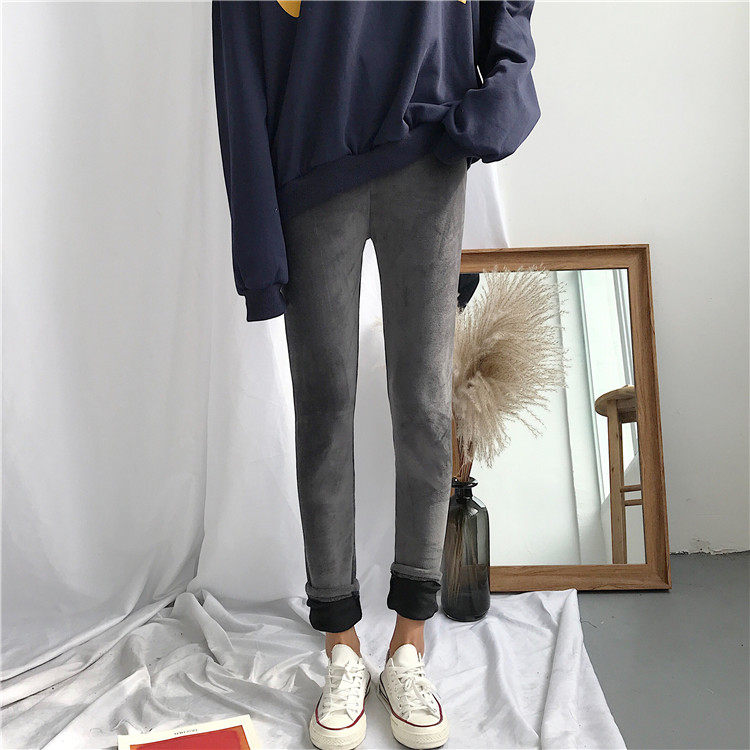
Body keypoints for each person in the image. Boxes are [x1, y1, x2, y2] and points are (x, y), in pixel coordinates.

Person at [212, 2, 539, 747]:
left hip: (429, 146)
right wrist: (256, 245)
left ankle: (408, 647)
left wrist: (505, 82)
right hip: (310, 162)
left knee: (424, 405)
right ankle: (341, 646)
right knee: (324, 404)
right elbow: (239, 64)